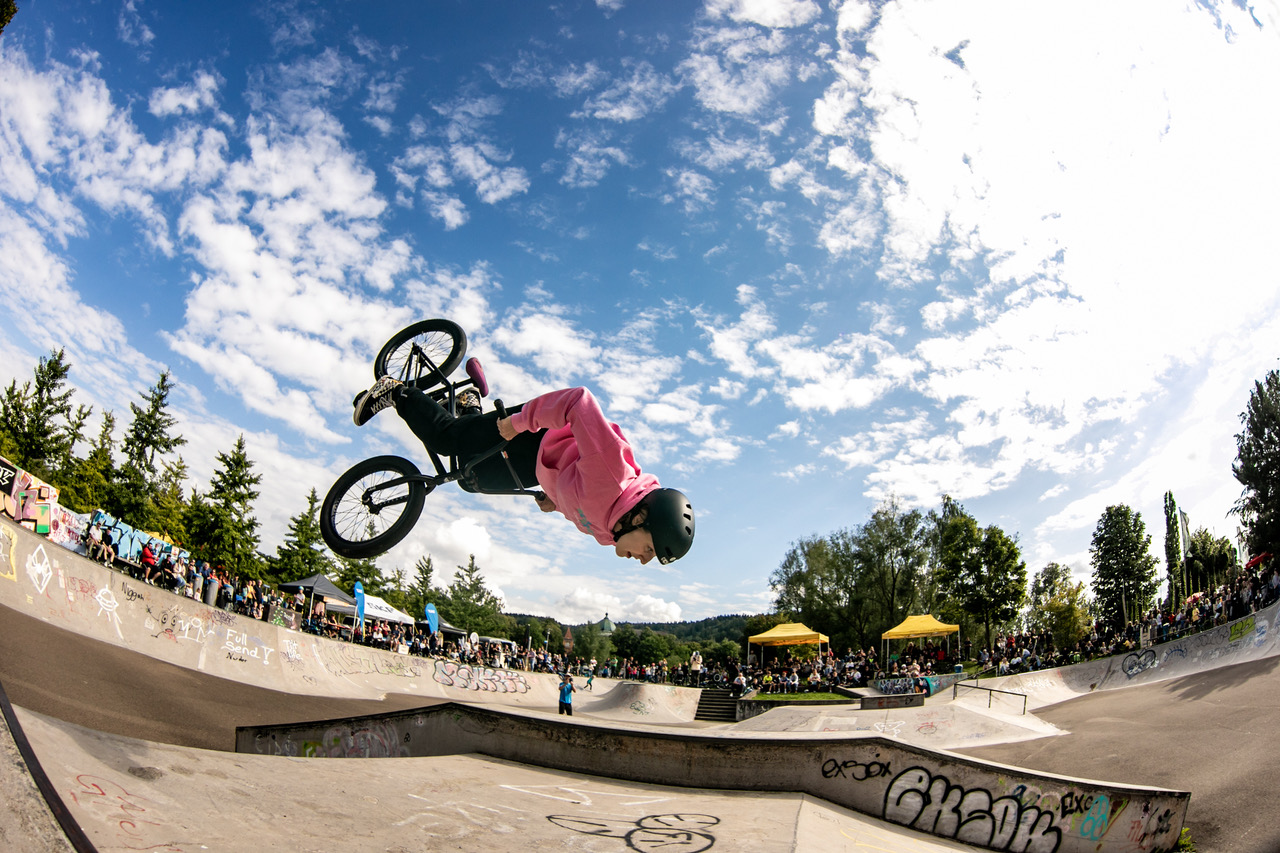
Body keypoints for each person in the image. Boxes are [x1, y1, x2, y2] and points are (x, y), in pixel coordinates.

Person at [353, 377, 695, 565]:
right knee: (450, 442)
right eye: (650, 550)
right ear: (642, 517)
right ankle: (397, 391)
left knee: (471, 481)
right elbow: (578, 401)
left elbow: (581, 505)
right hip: (536, 436)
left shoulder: (610, 534)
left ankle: (470, 404)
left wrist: (555, 503)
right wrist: (517, 423)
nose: (644, 561)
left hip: (540, 469)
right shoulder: (613, 471)